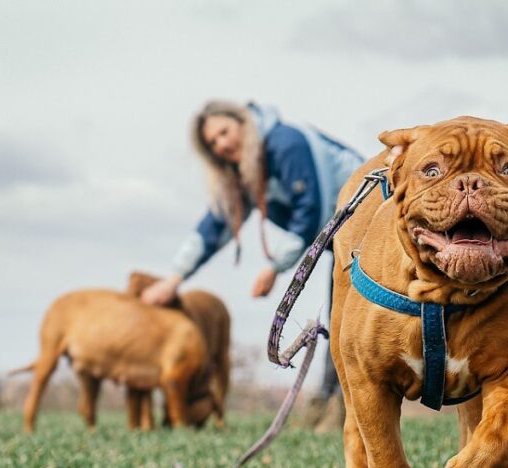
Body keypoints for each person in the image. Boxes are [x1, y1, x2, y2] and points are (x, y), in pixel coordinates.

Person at [140, 100, 362, 429]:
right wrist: (174, 278)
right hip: (343, 240)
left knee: (348, 319)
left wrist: (274, 267)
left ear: (243, 123)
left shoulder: (286, 144)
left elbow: (310, 209)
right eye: (212, 143)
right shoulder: (247, 172)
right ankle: (330, 406)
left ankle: (338, 408)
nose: (221, 144)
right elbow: (216, 224)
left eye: (224, 132)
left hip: (370, 225)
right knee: (340, 316)